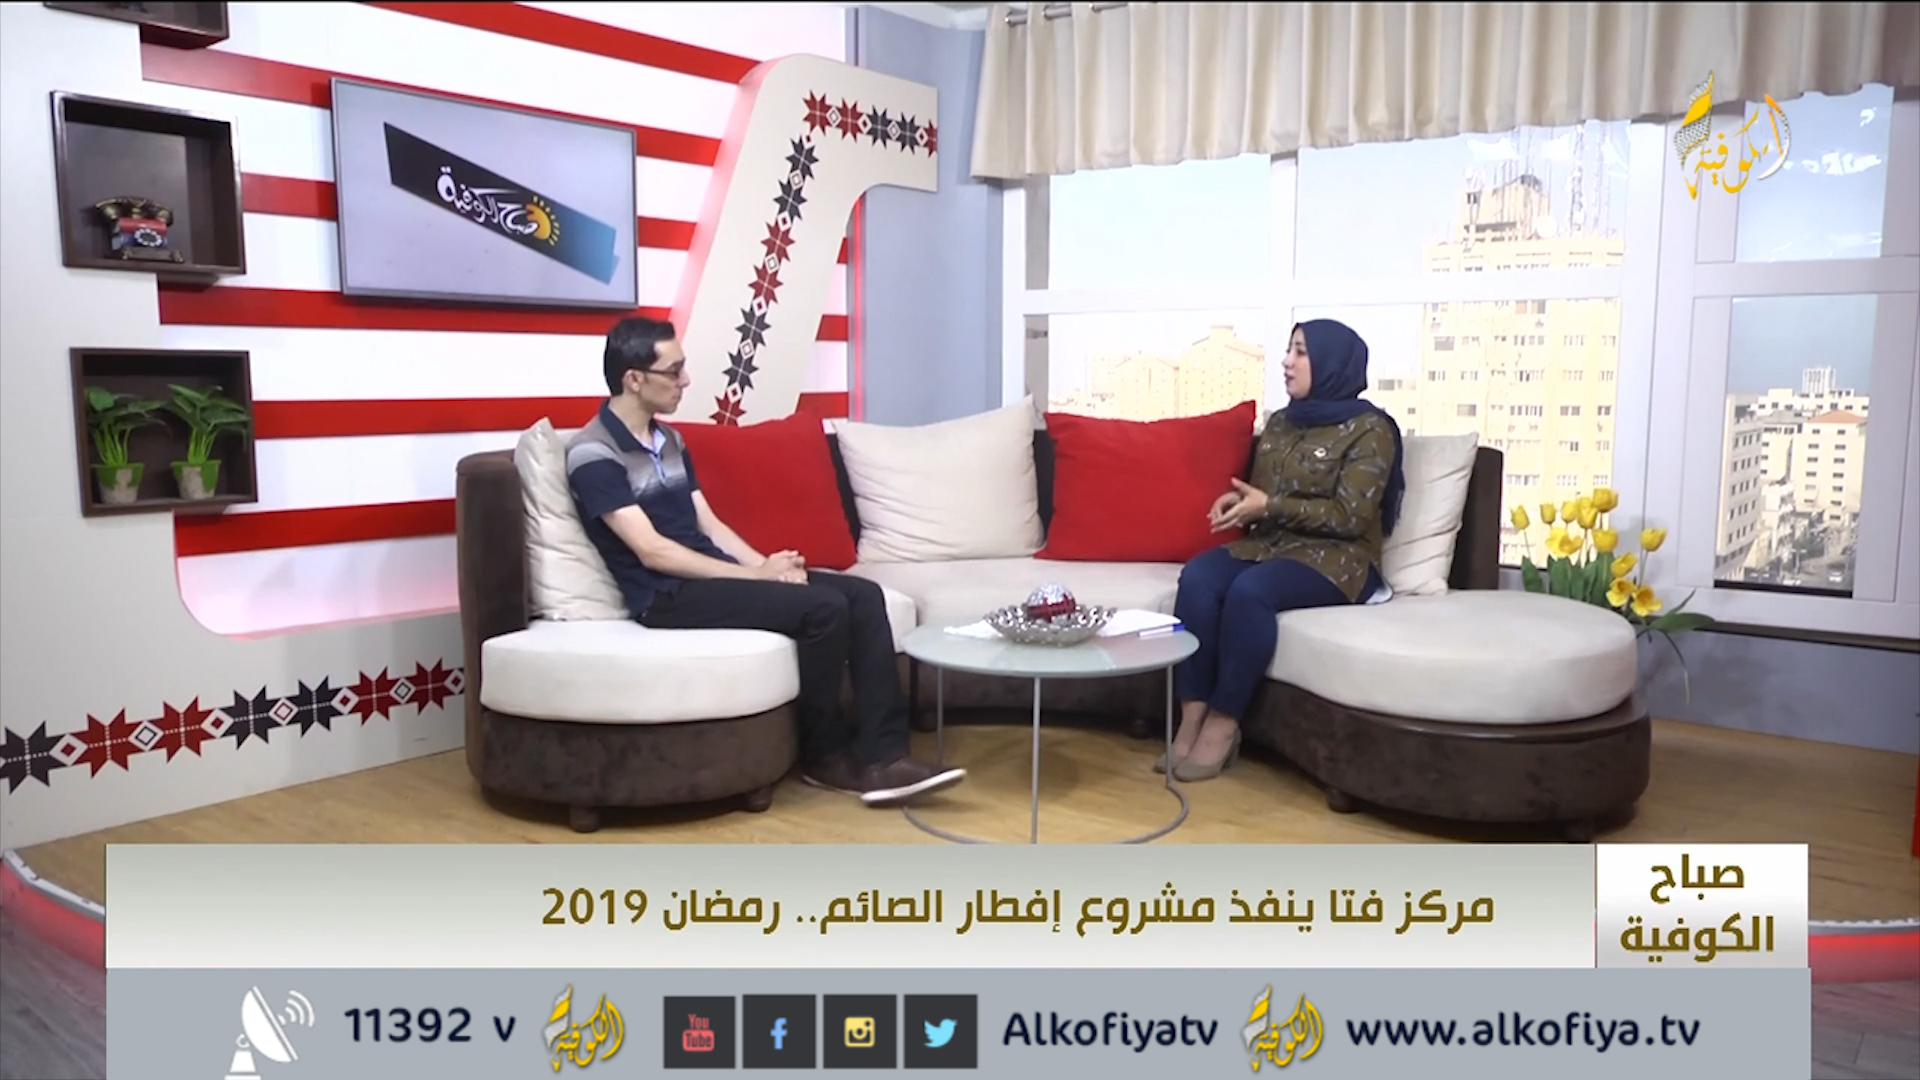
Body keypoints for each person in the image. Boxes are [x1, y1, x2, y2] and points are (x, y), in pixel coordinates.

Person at [565, 316, 966, 806]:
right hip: (664, 594)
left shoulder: (669, 441)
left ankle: (887, 756)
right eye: (674, 371)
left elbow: (709, 525)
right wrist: (754, 576)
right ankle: (823, 756)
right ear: (634, 378)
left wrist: (772, 568)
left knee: (862, 595)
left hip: (710, 576)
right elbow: (652, 550)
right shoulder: (593, 453)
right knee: (823, 608)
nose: (686, 380)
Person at [1161, 318, 1405, 782]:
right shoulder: (1281, 422)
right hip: (1271, 544)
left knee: (1251, 592)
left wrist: (1269, 505)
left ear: (1331, 363)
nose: (1286, 362)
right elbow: (1265, 495)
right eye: (1289, 351)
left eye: (1300, 352)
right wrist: (1241, 502)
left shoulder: (1370, 429)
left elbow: (1350, 517)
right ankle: (1191, 717)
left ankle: (1223, 724)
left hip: (1337, 559)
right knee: (1198, 578)